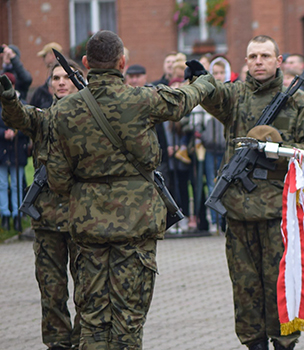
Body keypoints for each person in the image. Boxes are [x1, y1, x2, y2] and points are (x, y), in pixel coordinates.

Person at [46, 30, 216, 349]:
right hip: (135, 225)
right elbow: (183, 100)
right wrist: (204, 81)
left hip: (87, 227)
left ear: (85, 64)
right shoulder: (141, 99)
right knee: (128, 320)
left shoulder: (63, 112)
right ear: (123, 63)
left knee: (93, 320)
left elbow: (57, 178)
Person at [189, 35, 304, 350]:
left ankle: (284, 342)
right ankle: (254, 343)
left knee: (279, 284)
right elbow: (211, 96)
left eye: (265, 56)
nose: (258, 62)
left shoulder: (297, 101)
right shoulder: (235, 96)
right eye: (252, 57)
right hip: (238, 209)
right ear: (246, 61)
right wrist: (199, 78)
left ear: (279, 61)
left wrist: (276, 150)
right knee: (245, 285)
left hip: (279, 211)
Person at [0, 59, 87, 349]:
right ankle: (59, 343)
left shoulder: (93, 120)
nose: (61, 82)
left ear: (79, 81)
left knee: (87, 288)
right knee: (51, 289)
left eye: (67, 77)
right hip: (48, 218)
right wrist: (10, 97)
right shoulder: (43, 117)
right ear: (49, 85)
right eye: (56, 78)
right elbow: (19, 117)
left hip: (85, 217)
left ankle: (85, 340)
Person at [0, 73, 30, 233]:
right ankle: (4, 214)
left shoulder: (21, 103)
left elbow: (29, 124)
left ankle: (17, 215)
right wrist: (3, 133)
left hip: (16, 151)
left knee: (17, 184)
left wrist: (16, 132)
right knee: (2, 184)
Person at [31, 42, 64, 109]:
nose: (43, 59)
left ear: (53, 55)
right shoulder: (42, 90)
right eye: (56, 78)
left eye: (44, 56)